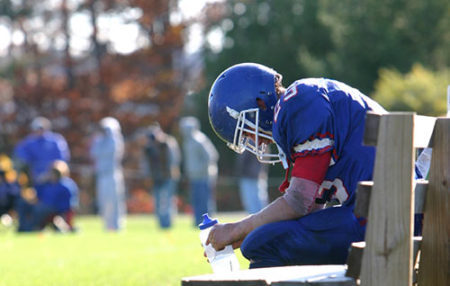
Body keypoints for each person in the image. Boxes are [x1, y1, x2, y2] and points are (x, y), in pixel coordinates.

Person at [206, 63, 387, 268]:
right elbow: (309, 209)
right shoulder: (306, 99)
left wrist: (235, 229)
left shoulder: (298, 103)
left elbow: (299, 201)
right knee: (259, 239)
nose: (255, 142)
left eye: (246, 130)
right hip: (388, 213)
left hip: (383, 220)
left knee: (260, 244)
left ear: (260, 103)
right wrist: (238, 236)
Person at [16, 160, 78, 232]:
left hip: (56, 209)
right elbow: (36, 192)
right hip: (42, 205)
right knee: (22, 203)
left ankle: (31, 228)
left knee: (40, 209)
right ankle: (22, 226)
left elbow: (69, 204)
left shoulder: (66, 185)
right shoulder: (46, 183)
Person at [179, 116, 219, 226]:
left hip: (204, 176)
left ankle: (208, 222)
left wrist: (201, 169)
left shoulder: (199, 140)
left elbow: (211, 156)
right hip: (193, 176)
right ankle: (198, 221)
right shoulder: (187, 142)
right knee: (196, 200)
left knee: (204, 200)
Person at [141, 123, 181, 229]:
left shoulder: (168, 143)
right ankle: (161, 224)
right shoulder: (149, 147)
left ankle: (168, 223)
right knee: (158, 201)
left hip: (168, 176)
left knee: (167, 201)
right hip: (156, 178)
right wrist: (147, 175)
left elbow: (175, 159)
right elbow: (145, 163)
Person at [89, 117, 126, 231]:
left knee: (115, 201)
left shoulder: (115, 140)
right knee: (103, 201)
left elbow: (110, 151)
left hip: (112, 174)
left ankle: (117, 225)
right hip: (102, 175)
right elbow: (94, 153)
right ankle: (107, 225)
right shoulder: (99, 140)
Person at [13, 116, 70, 185]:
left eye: (42, 128)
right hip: (36, 177)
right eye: (37, 128)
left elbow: (62, 159)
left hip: (55, 177)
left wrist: (51, 173)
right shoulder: (30, 141)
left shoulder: (56, 140)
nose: (40, 131)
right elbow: (20, 154)